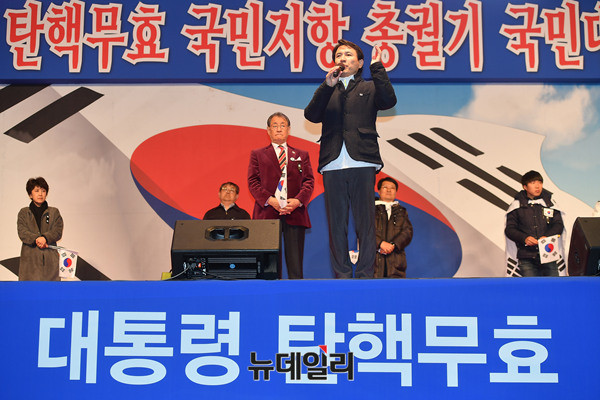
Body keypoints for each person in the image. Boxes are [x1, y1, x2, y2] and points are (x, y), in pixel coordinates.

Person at [304, 39, 397, 278]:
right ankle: (342, 275)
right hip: (333, 162)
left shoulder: (369, 86)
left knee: (365, 223)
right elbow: (311, 115)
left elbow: (389, 101)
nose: (343, 58)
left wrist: (378, 68)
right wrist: (326, 86)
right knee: (336, 224)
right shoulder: (328, 89)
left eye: (348, 54)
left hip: (362, 160)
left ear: (360, 63)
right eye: (339, 55)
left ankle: (365, 274)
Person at [248, 112, 315, 279]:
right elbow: (253, 182)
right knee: (268, 264)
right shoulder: (258, 154)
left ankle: (296, 292)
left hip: (295, 213)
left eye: (282, 125)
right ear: (268, 130)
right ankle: (269, 292)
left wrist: (298, 200)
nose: (279, 129)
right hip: (267, 213)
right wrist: (270, 200)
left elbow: (309, 181)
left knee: (295, 265)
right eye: (275, 126)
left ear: (289, 130)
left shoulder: (301, 154)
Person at [505, 170, 565, 277]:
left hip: (549, 254)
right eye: (533, 183)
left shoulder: (550, 203)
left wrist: (546, 237)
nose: (537, 186)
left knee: (553, 286)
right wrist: (524, 238)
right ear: (525, 186)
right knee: (531, 287)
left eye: (540, 183)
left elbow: (558, 225)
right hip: (526, 257)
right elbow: (510, 229)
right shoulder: (516, 205)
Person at [17, 177, 64, 281]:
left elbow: (57, 231)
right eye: (36, 191)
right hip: (30, 262)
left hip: (50, 261)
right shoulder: (23, 213)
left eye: (43, 191)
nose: (40, 194)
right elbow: (22, 232)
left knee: (51, 290)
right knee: (29, 290)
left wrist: (45, 238)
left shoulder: (54, 212)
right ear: (30, 194)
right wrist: (37, 239)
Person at [374, 177, 413, 278]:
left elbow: (407, 232)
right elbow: (364, 231)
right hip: (373, 264)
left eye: (392, 188)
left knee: (396, 287)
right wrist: (380, 243)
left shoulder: (401, 211)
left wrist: (392, 245)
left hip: (396, 264)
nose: (389, 190)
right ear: (379, 191)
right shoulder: (370, 209)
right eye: (385, 187)